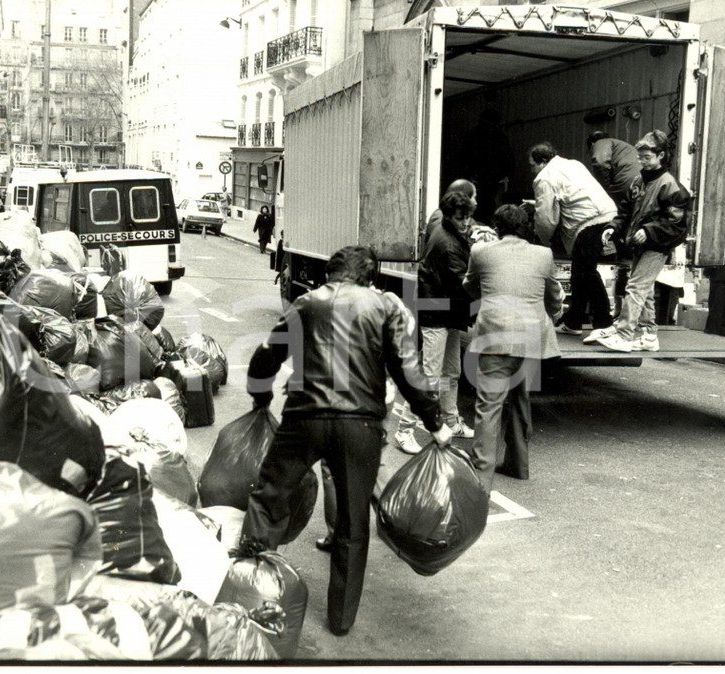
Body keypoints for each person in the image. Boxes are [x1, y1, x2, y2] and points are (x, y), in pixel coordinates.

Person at [240, 245, 453, 637]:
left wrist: (261, 397)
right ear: (370, 278)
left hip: (303, 418)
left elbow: (268, 354)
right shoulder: (386, 307)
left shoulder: (305, 303)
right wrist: (435, 422)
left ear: (331, 275)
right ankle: (340, 620)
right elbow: (408, 371)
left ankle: (248, 592)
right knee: (354, 524)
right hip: (360, 427)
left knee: (269, 499)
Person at [463, 204, 564, 486]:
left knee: (489, 406)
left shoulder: (481, 252)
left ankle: (481, 475)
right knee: (521, 399)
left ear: (497, 227)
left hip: (495, 334)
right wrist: (552, 314)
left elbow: (470, 287)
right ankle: (519, 464)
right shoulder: (544, 254)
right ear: (525, 227)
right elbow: (553, 294)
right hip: (532, 337)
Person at [594, 130, 691, 352]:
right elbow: (625, 211)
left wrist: (648, 231)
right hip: (643, 244)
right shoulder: (640, 180)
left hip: (656, 246)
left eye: (647, 158)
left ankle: (625, 334)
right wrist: (612, 227)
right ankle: (649, 336)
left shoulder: (670, 185)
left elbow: (677, 223)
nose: (642, 162)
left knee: (636, 287)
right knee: (644, 290)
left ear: (661, 156)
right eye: (640, 157)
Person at [395, 191, 476, 455]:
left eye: (468, 217)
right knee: (430, 375)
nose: (466, 223)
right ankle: (404, 429)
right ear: (450, 216)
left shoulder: (444, 224)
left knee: (451, 371)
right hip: (437, 311)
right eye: (461, 218)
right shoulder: (447, 244)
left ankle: (451, 421)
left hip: (445, 310)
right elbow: (464, 283)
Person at [529, 141, 617, 337]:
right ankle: (574, 320)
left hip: (588, 221)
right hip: (608, 214)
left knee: (586, 272)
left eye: (532, 165)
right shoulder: (573, 164)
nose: (531, 170)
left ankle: (604, 322)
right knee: (579, 273)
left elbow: (546, 218)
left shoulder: (544, 178)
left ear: (542, 162)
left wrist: (542, 243)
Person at [587, 131, 642, 315]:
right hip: (639, 184)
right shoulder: (624, 147)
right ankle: (627, 251)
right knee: (631, 217)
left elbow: (600, 162)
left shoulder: (602, 142)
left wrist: (604, 185)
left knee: (609, 210)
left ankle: (612, 248)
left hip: (625, 182)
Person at [462, 107, 514, 224]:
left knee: (488, 205)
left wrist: (506, 177)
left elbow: (508, 158)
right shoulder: (474, 136)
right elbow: (465, 158)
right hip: (482, 179)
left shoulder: (499, 136)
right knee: (480, 204)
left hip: (492, 180)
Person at [704, 203, 725, 338]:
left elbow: (714, 251)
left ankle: (713, 328)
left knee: (716, 302)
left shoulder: (722, 231)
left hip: (719, 272)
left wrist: (707, 270)